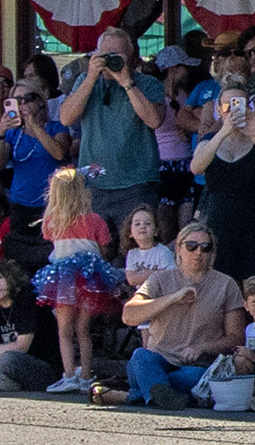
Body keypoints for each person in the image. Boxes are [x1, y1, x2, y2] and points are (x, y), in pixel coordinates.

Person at [92, 219, 247, 410]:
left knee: (193, 377)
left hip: (196, 365)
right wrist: (172, 298)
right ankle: (161, 393)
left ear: (212, 252)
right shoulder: (160, 279)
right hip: (158, 359)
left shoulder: (226, 284)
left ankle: (139, 395)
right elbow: (129, 315)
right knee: (140, 357)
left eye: (205, 247)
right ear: (179, 249)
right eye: (191, 246)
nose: (198, 252)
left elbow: (236, 338)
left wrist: (202, 347)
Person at [58, 27, 166, 232]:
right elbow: (66, 118)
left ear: (131, 56)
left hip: (137, 184)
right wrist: (91, 77)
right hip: (94, 183)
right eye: (105, 54)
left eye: (116, 55)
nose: (110, 60)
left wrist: (126, 82)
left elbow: (154, 121)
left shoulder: (148, 84)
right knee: (98, 249)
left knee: (135, 247)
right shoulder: (85, 81)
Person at [31, 167, 122, 394]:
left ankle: (70, 375)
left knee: (64, 330)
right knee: (83, 328)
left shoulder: (52, 221)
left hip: (63, 280)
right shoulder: (95, 220)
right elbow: (104, 248)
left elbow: (50, 242)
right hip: (90, 279)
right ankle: (85, 376)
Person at [190, 79, 255, 286]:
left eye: (239, 105)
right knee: (221, 289)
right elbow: (196, 167)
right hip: (219, 228)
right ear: (218, 109)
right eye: (227, 106)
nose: (233, 112)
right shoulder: (209, 142)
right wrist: (223, 131)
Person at [1, 83, 73, 260]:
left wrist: (35, 126)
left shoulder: (56, 128)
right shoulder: (13, 134)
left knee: (49, 258)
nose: (23, 104)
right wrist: (1, 132)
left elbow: (58, 153)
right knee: (19, 258)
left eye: (28, 98)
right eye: (17, 100)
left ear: (41, 101)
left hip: (52, 206)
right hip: (20, 205)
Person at [152, 52, 200, 235]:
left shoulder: (185, 96)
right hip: (164, 164)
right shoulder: (154, 96)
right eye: (183, 67)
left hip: (187, 162)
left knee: (186, 222)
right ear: (173, 69)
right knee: (165, 224)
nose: (187, 71)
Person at [0, 258, 59, 392]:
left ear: (11, 278)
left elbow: (21, 347)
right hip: (7, 371)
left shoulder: (26, 301)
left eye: (0, 278)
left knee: (8, 359)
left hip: (42, 368)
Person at [120, 207, 176, 292]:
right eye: (137, 224)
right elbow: (131, 279)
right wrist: (154, 273)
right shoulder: (132, 254)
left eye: (148, 223)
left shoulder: (163, 252)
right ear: (130, 232)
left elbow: (171, 276)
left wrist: (141, 275)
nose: (142, 226)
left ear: (156, 231)